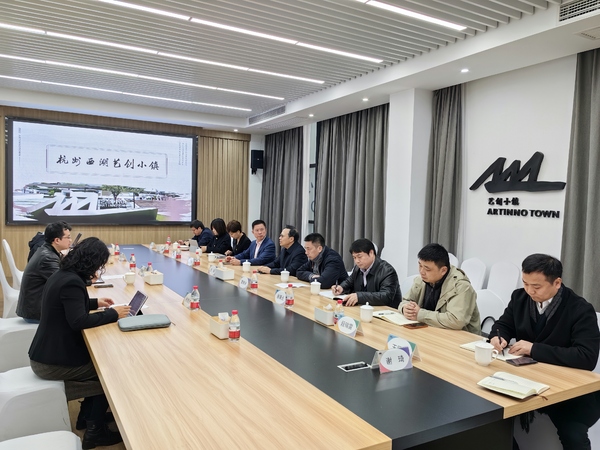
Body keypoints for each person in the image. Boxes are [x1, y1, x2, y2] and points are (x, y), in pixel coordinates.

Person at [28, 237, 130, 449]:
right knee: (108, 372)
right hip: (50, 363)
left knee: (102, 364)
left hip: (45, 353)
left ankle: (87, 417)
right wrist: (113, 314)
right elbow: (78, 321)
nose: (98, 269)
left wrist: (95, 302)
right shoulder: (72, 282)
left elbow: (67, 304)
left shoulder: (63, 275)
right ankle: (95, 432)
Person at [490, 254, 600, 450]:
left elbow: (586, 357)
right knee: (490, 413)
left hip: (568, 390)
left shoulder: (580, 309)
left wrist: (534, 349)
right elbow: (503, 324)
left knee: (573, 434)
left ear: (557, 283)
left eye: (536, 286)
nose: (529, 291)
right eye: (525, 283)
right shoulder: (519, 297)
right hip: (526, 380)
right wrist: (498, 337)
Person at [400, 243, 480, 333]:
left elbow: (456, 320)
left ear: (443, 270)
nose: (421, 271)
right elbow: (405, 301)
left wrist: (420, 314)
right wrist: (405, 308)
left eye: (427, 269)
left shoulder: (461, 286)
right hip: (430, 330)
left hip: (460, 337)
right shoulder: (422, 279)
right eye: (420, 265)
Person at [17, 221, 73, 323]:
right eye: (68, 237)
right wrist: (88, 280)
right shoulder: (47, 258)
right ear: (57, 240)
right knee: (75, 317)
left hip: (36, 307)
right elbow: (64, 282)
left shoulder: (47, 251)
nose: (71, 240)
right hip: (36, 313)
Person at [332, 238, 401, 308]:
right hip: (365, 308)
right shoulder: (358, 268)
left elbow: (386, 297)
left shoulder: (387, 271)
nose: (357, 261)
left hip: (386, 311)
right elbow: (350, 282)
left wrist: (359, 297)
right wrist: (341, 287)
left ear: (371, 253)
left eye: (359, 257)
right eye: (354, 258)